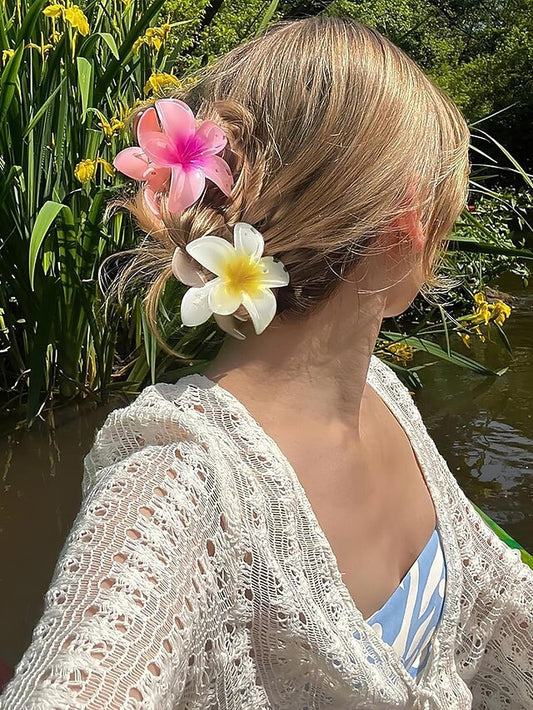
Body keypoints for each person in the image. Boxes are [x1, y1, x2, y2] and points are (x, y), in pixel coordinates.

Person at [1, 14, 532, 710]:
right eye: (443, 225)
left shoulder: (382, 395)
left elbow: (498, 602)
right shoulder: (176, 487)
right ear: (402, 235)